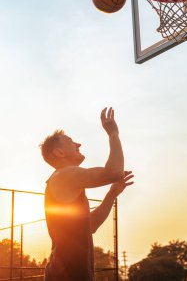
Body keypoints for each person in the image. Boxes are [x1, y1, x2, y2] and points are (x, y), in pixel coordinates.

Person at [40, 107, 134, 281]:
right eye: (70, 141)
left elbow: (91, 225)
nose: (78, 144)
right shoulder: (64, 175)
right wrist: (113, 134)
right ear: (59, 153)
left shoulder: (66, 182)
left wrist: (111, 194)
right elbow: (114, 172)